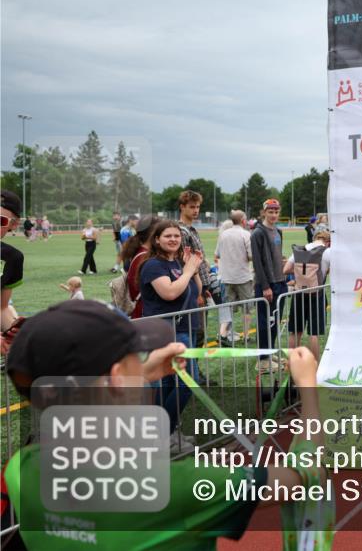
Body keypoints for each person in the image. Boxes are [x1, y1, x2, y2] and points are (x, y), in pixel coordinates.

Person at [4, 299, 327, 551]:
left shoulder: (22, 469)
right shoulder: (184, 485)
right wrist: (308, 388)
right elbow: (304, 475)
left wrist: (140, 374)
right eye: (135, 355)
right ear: (117, 378)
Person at [139, 220, 203, 450]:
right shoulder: (153, 265)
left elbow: (195, 291)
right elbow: (169, 293)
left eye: (177, 236)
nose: (174, 239)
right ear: (157, 240)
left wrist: (193, 270)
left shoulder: (177, 262)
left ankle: (163, 432)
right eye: (168, 236)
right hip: (166, 330)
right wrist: (187, 271)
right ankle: (163, 433)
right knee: (189, 380)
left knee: (169, 381)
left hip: (184, 327)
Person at [251, 198, 287, 372]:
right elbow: (257, 263)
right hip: (266, 285)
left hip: (280, 282)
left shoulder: (278, 231)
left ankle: (269, 353)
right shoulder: (258, 233)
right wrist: (265, 286)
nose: (273, 215)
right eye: (270, 212)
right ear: (264, 212)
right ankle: (263, 360)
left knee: (274, 322)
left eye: (276, 212)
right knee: (265, 322)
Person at [283, 227, 329, 362]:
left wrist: (300, 275)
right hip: (317, 293)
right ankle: (314, 364)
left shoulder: (301, 250)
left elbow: (286, 270)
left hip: (299, 292)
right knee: (314, 334)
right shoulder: (327, 252)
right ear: (327, 241)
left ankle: (292, 363)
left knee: (295, 331)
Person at [177, 190, 216, 348]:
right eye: (192, 207)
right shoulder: (181, 231)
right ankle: (191, 364)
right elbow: (186, 263)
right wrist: (197, 292)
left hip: (201, 286)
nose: (196, 210)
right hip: (193, 288)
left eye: (198, 207)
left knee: (199, 332)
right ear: (182, 207)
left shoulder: (191, 229)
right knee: (196, 333)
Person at [216, 211, 255, 347]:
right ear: (243, 220)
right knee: (247, 309)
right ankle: (246, 336)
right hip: (243, 277)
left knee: (229, 308)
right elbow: (251, 255)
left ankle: (222, 334)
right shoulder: (246, 234)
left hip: (227, 277)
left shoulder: (223, 235)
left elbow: (217, 254)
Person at [123, 215, 161, 318]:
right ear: (153, 233)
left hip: (143, 312)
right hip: (144, 314)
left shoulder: (142, 253)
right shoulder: (144, 257)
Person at [1, 190, 25, 354]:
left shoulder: (12, 257)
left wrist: (15, 334)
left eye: (1, 220)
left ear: (13, 225)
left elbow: (2, 308)